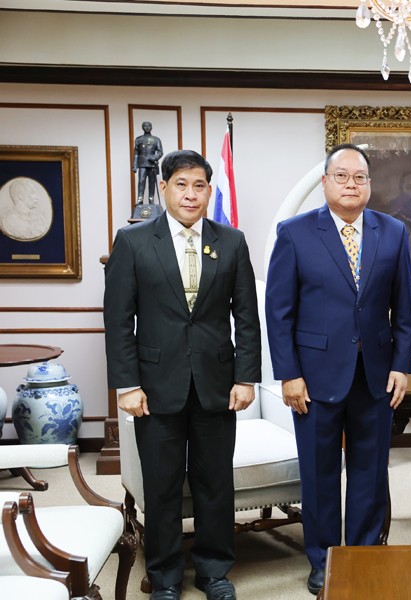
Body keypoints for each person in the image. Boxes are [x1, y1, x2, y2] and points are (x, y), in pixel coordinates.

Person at [104, 150, 261, 600]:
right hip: (154, 387)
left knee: (216, 484)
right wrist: (127, 385)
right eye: (181, 185)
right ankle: (166, 576)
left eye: (199, 186)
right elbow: (119, 320)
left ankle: (214, 572)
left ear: (209, 191)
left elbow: (246, 317)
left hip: (217, 384)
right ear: (164, 188)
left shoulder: (232, 241)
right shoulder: (133, 241)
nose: (191, 194)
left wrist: (246, 378)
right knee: (163, 486)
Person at [265, 143, 411, 595]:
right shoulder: (294, 233)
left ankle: (363, 556)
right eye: (342, 176)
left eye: (360, 177)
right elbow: (279, 312)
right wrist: (289, 374)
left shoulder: (393, 232)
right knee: (319, 474)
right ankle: (324, 559)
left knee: (371, 472)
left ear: (370, 184)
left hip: (376, 374)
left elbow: (405, 309)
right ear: (325, 182)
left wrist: (402, 366)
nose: (352, 184)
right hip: (312, 378)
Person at [0, 177, 52, 241]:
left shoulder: (39, 218)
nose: (36, 197)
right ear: (20, 196)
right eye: (32, 193)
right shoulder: (8, 220)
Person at [133, 121, 164, 204]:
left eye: (149, 126)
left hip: (152, 164)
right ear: (142, 127)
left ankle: (151, 198)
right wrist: (134, 165)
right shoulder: (138, 139)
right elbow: (136, 153)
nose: (147, 127)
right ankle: (140, 198)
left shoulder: (156, 139)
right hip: (142, 163)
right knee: (141, 181)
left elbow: (160, 152)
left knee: (152, 182)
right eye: (145, 126)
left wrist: (154, 157)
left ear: (151, 127)